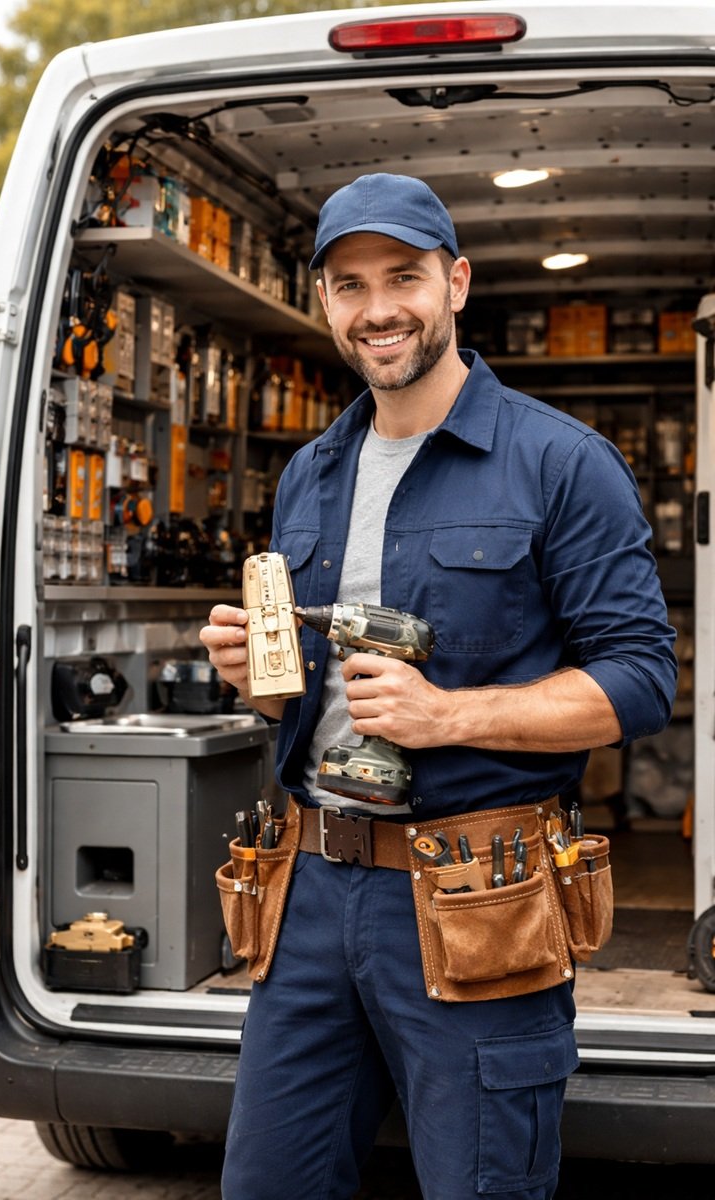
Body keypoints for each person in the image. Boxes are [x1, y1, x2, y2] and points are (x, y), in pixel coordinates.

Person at [200, 173, 677, 1200]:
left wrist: (445, 716)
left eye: (403, 276)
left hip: (480, 892)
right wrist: (259, 677)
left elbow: (639, 681)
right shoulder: (310, 473)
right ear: (324, 300)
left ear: (454, 283)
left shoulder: (559, 463)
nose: (376, 309)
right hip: (311, 891)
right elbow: (308, 703)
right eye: (348, 284)